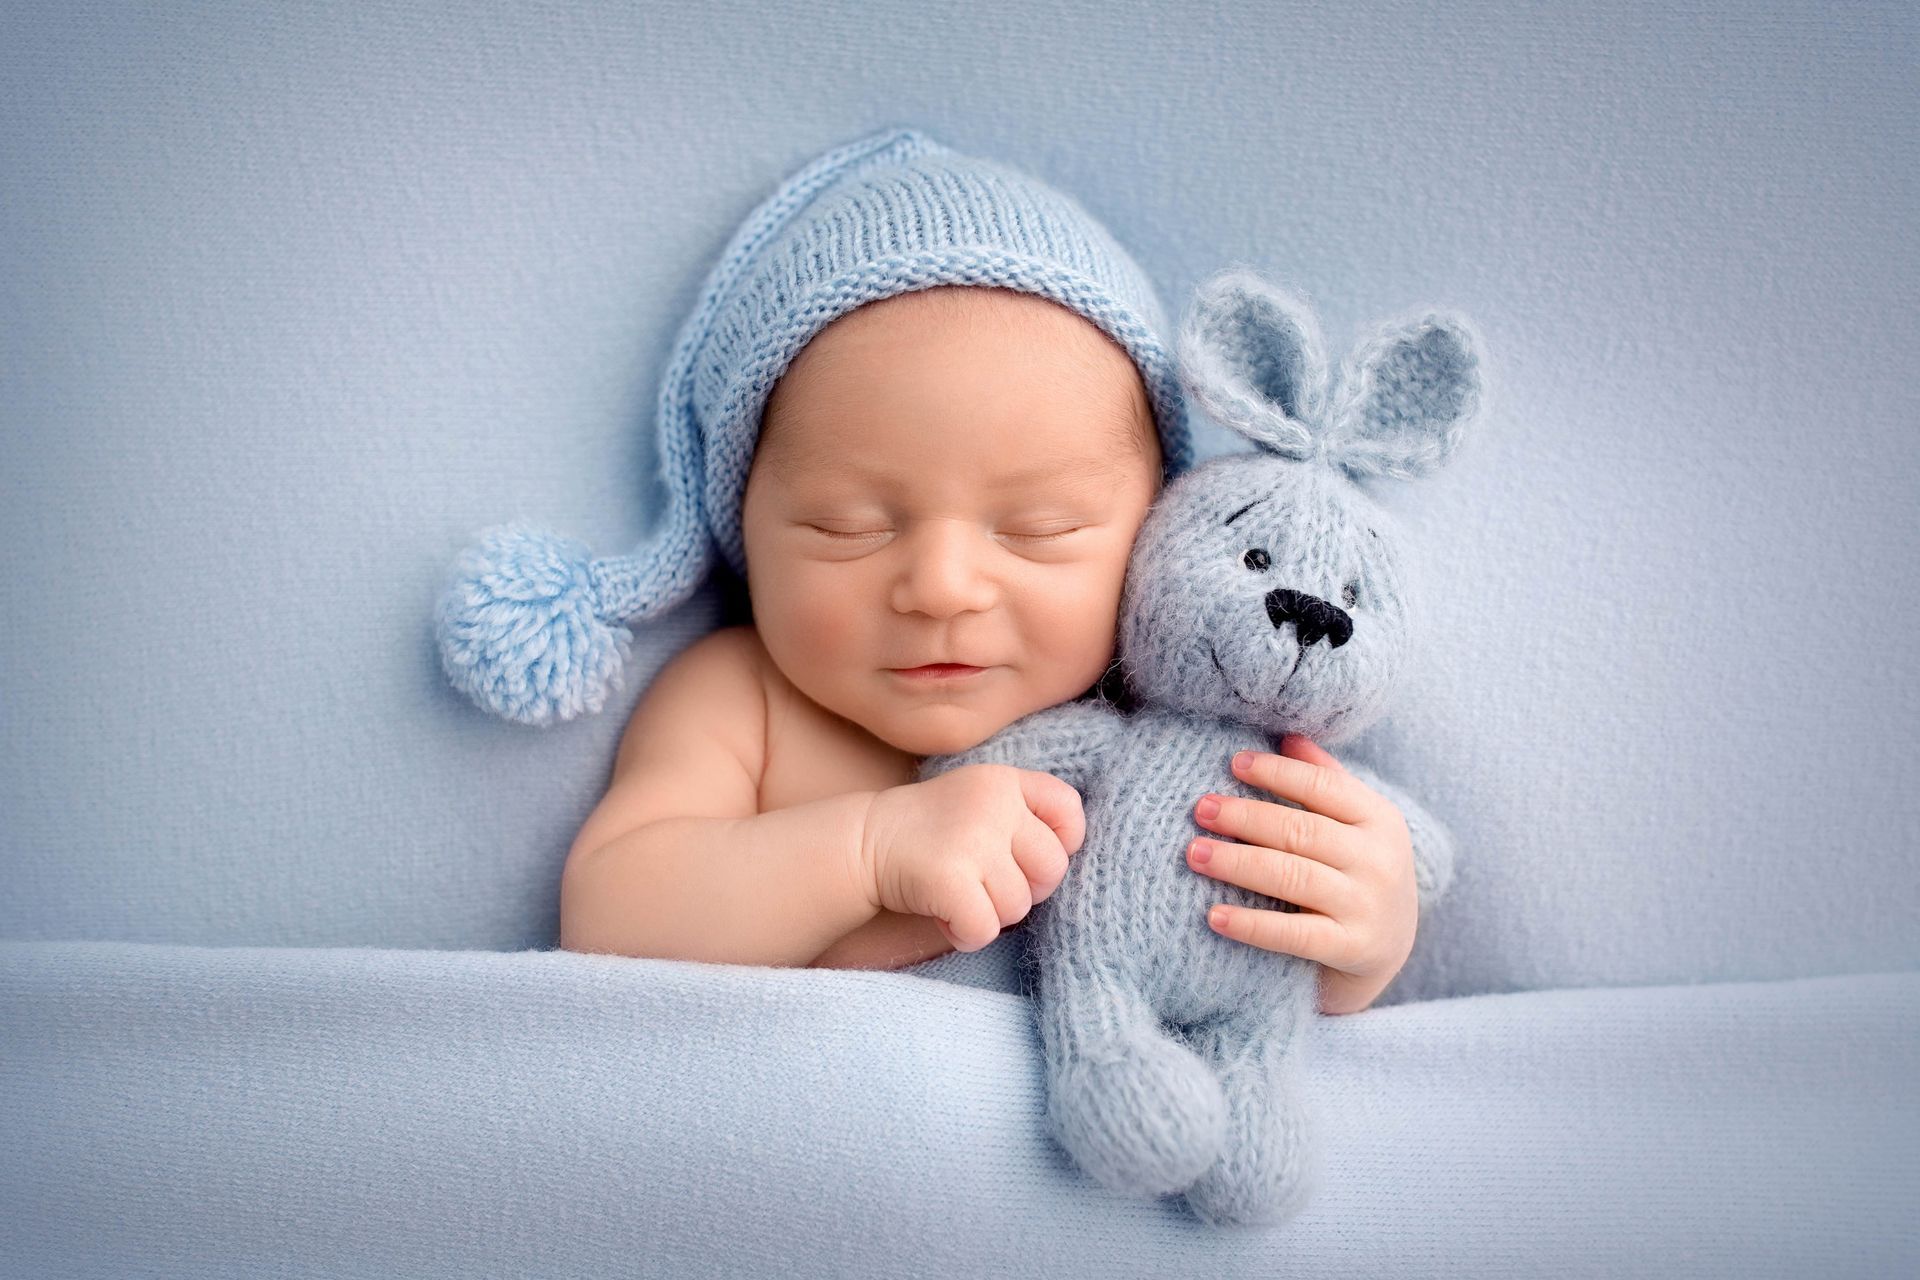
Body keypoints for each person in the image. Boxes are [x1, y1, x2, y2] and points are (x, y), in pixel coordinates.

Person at [439, 128, 1419, 1013]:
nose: (944, 586)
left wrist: (1364, 936)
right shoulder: (745, 700)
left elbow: (1252, 963)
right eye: (848, 526)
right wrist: (868, 850)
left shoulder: (1163, 729)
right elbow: (611, 915)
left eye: (1038, 529)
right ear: (744, 517)